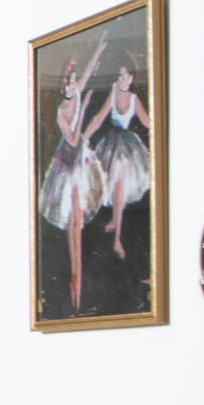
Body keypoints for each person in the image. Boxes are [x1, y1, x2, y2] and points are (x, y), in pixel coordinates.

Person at [39, 41, 107, 308]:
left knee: (78, 221)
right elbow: (75, 138)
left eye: (75, 81)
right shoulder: (60, 113)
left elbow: (88, 73)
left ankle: (79, 278)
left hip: (80, 160)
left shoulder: (77, 90)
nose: (74, 85)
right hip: (66, 164)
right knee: (71, 222)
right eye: (70, 82)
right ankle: (74, 278)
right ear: (63, 84)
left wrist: (99, 50)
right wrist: (84, 108)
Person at [89, 63, 153, 259]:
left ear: (131, 79)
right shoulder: (114, 92)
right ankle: (116, 227)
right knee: (116, 184)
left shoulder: (134, 99)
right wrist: (85, 138)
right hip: (111, 143)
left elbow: (147, 121)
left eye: (125, 77)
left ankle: (117, 237)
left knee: (120, 184)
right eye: (119, 76)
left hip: (128, 145)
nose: (121, 80)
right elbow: (99, 118)